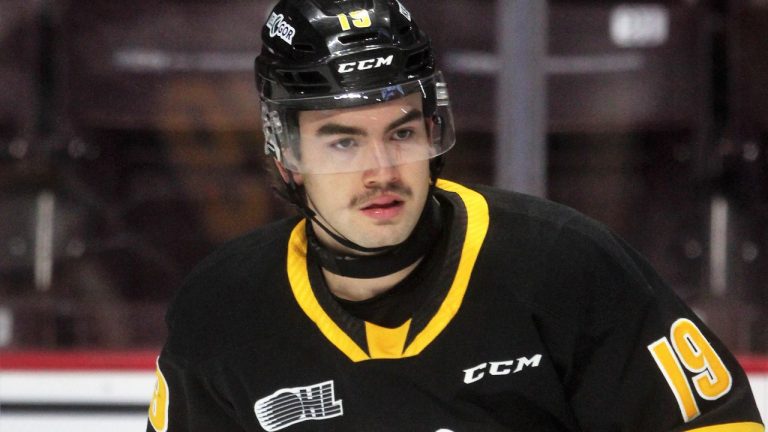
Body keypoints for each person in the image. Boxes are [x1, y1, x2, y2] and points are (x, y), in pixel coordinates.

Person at [147, 0, 764, 431]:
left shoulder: (565, 267)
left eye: (403, 132)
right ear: (288, 156)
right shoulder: (221, 312)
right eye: (343, 142)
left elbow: (716, 423)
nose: (382, 171)